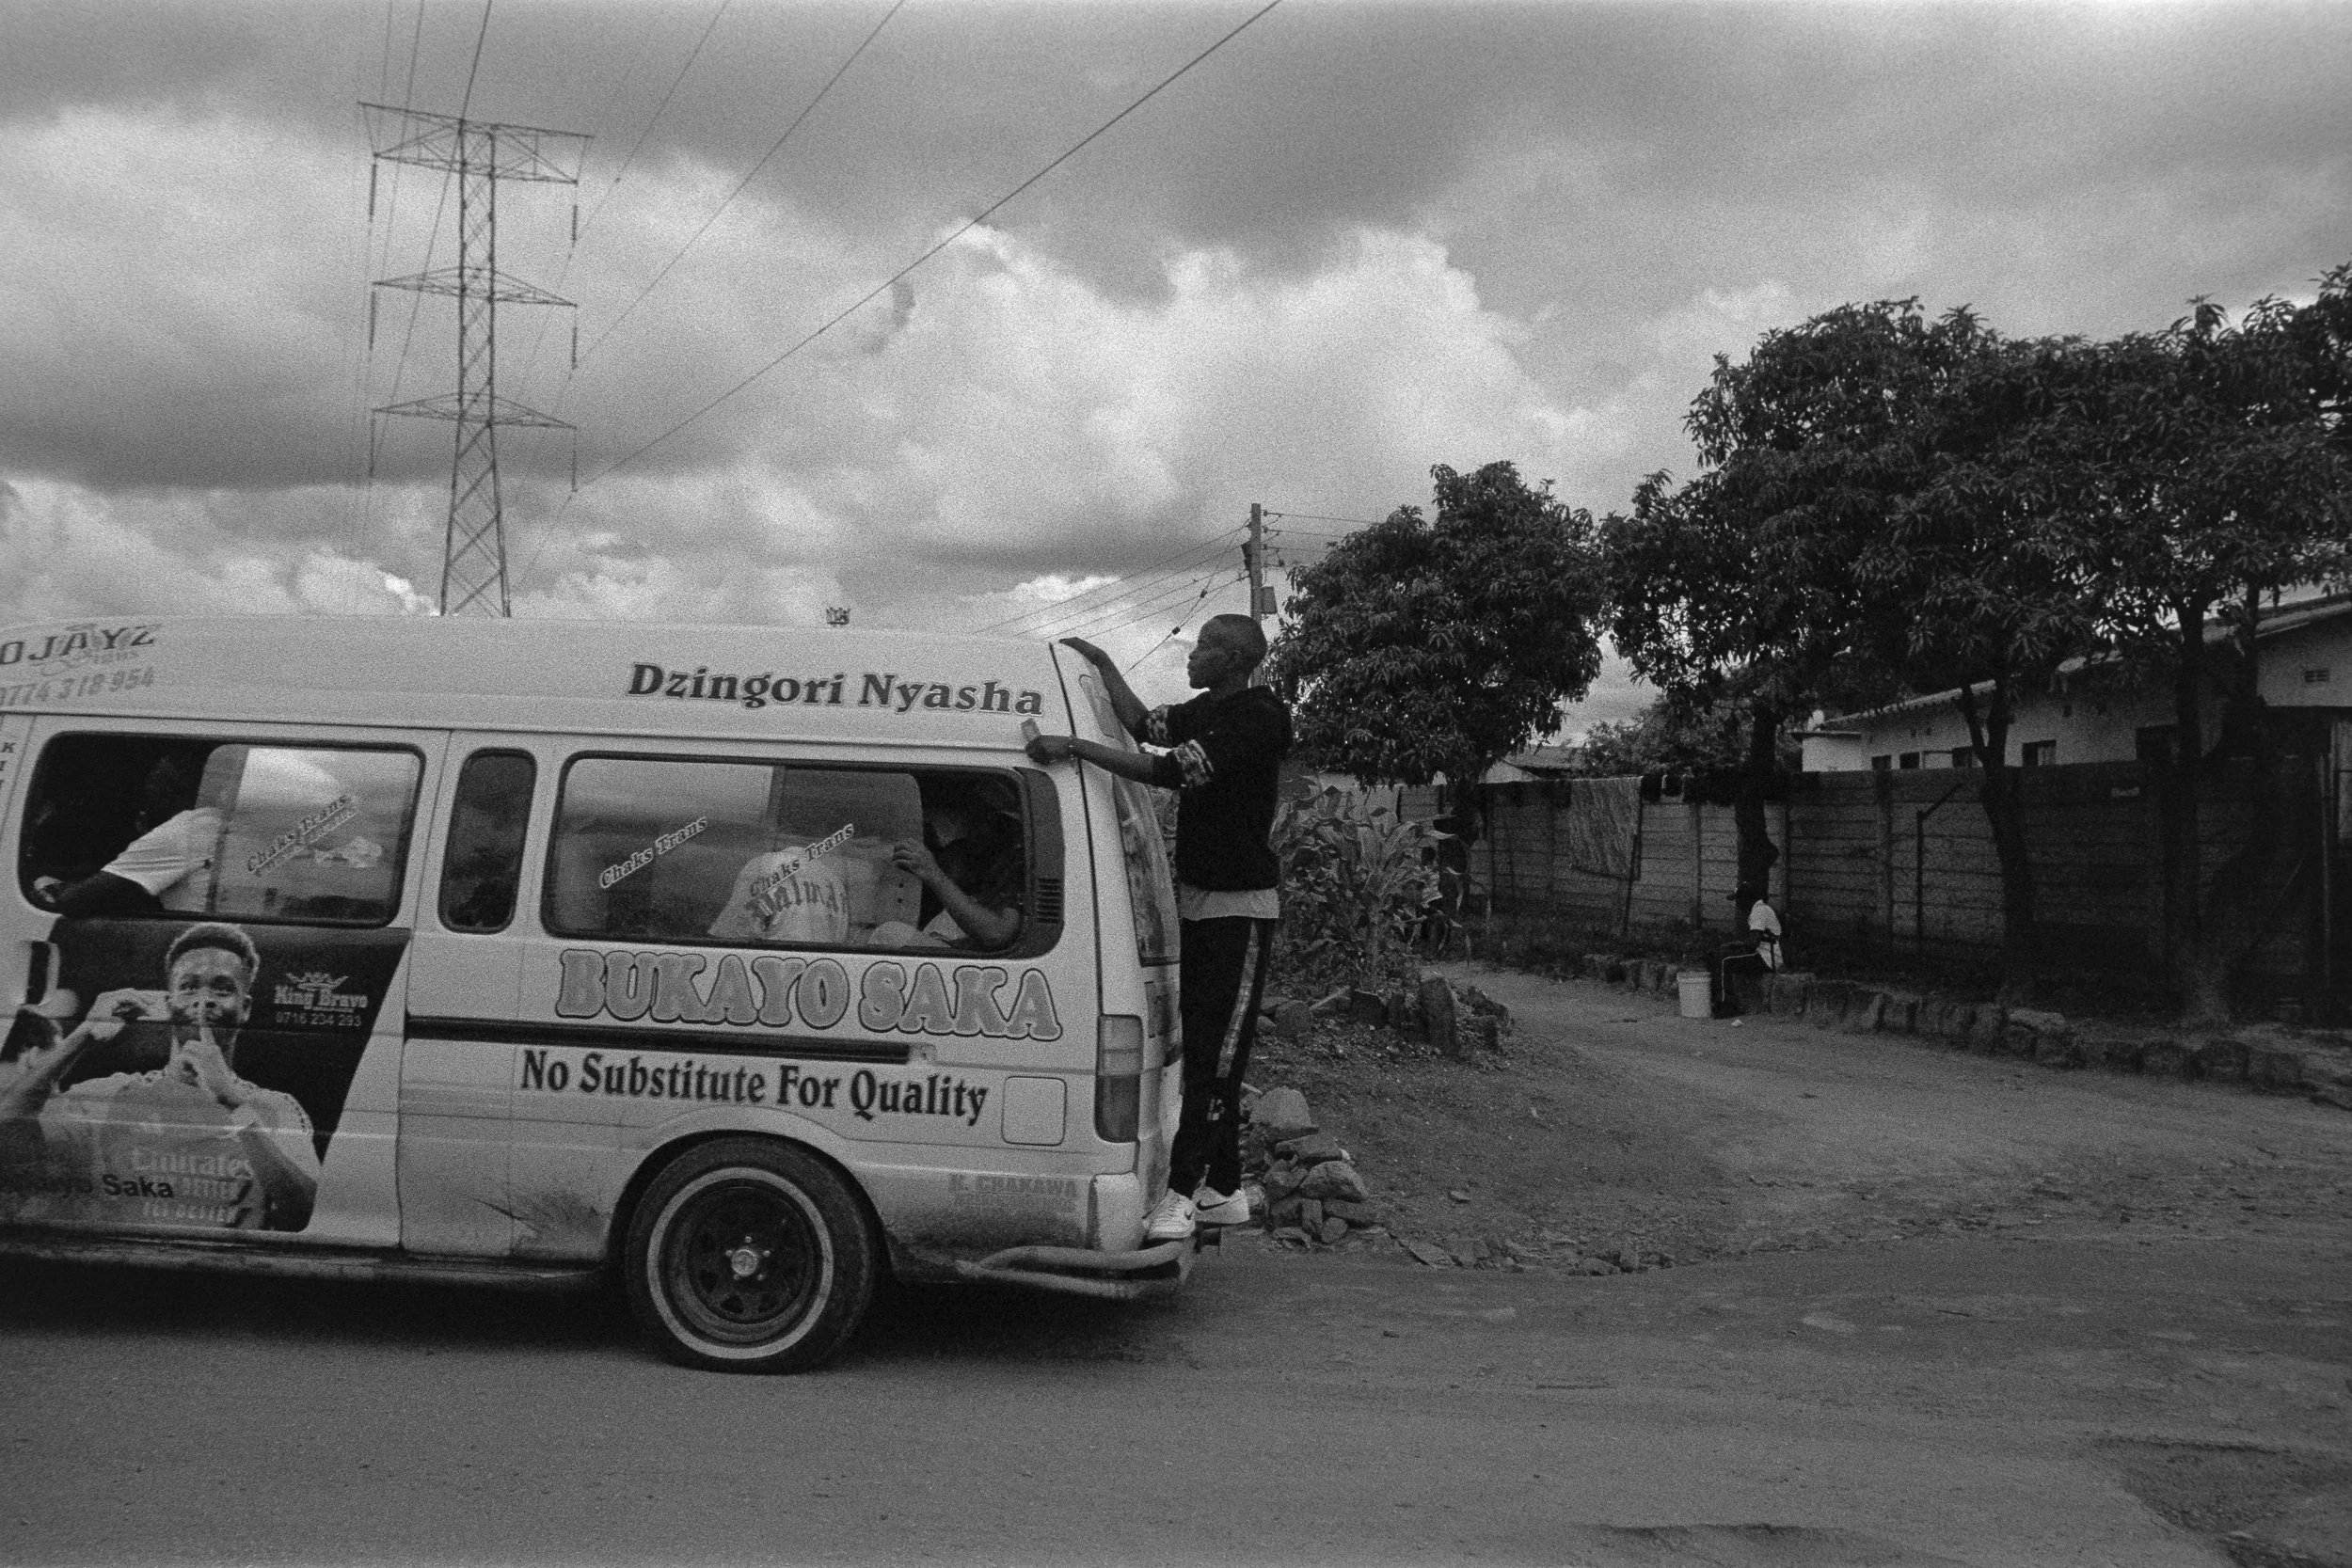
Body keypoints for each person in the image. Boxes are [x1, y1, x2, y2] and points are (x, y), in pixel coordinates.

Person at [1027, 614, 1290, 1242]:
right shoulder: (1212, 708)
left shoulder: (1260, 716)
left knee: (1215, 1058)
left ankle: (1181, 1194)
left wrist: (1076, 748)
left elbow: (1173, 770)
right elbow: (1147, 727)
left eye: (1202, 647)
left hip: (1239, 911)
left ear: (1231, 659)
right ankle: (1222, 1189)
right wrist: (1102, 660)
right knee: (1201, 1049)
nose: (1190, 655)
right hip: (1203, 902)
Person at [0, 922, 321, 1232]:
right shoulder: (111, 1094)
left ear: (245, 1007)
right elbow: (8, 1140)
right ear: (169, 1004)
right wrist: (82, 1035)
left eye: (222, 989)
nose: (203, 999)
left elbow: (308, 1213)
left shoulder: (274, 1107)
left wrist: (235, 1104)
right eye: (189, 986)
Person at [30, 754, 220, 917]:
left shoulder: (189, 829)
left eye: (155, 785)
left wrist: (50, 886)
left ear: (178, 793)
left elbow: (75, 901)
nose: (146, 797)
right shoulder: (219, 824)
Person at [885, 779, 1024, 950]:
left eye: (988, 819)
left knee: (891, 934)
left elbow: (997, 934)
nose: (976, 826)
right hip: (942, 949)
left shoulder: (1019, 875)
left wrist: (933, 873)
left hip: (971, 968)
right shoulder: (962, 853)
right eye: (973, 815)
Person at [708, 830, 852, 946]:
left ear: (778, 835)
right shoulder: (834, 879)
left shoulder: (764, 864)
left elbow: (732, 930)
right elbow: (840, 937)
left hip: (771, 968)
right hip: (823, 971)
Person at [1714, 885, 1784, 1016]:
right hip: (1764, 953)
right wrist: (1734, 945)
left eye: (1739, 900)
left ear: (1748, 899)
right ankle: (1722, 1001)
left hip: (1767, 957)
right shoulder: (1760, 909)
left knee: (1725, 961)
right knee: (1723, 956)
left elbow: (1752, 944)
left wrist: (1734, 947)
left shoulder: (1759, 911)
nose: (1737, 904)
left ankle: (1727, 1006)